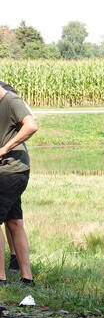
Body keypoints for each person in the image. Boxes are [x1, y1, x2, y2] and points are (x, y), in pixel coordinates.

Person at [0, 80, 37, 286]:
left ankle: (1, 278)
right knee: (14, 222)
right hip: (11, 170)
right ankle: (26, 278)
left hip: (10, 170)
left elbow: (32, 125)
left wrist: (5, 149)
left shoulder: (11, 100)